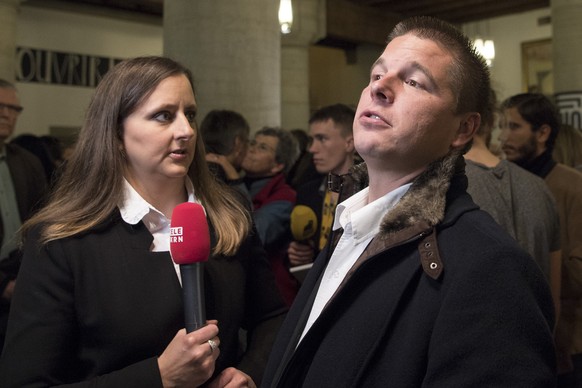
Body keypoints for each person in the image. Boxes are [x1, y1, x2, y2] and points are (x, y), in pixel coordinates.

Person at [262, 16, 556, 387]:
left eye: (414, 81)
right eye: (375, 75)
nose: (380, 88)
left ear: (463, 129)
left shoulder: (490, 267)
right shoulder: (349, 224)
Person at [0, 56, 287, 388]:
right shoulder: (61, 241)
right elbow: (25, 381)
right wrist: (159, 377)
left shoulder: (228, 214)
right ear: (117, 132)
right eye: (163, 116)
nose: (186, 130)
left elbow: (272, 318)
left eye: (190, 114)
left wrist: (250, 371)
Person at [500, 92, 582, 388]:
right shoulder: (503, 182)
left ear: (543, 132)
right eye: (501, 126)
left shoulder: (572, 186)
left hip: (569, 343)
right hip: (516, 340)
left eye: (514, 127)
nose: (503, 136)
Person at [464, 89, 561, 316]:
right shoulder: (539, 186)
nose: (505, 136)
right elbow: (553, 298)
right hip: (538, 340)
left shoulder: (441, 184)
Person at [0, 79, 48, 350]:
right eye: (0, 106)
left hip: (22, 280)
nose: (6, 114)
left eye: (13, 108)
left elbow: (41, 223)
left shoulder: (27, 162)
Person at [287, 104, 356, 269]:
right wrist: (298, 254)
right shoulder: (306, 191)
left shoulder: (369, 192)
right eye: (312, 140)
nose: (312, 149)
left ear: (349, 143)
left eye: (322, 139)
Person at [241, 127, 300, 306]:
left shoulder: (285, 196)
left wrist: (235, 181)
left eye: (263, 147)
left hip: (271, 298)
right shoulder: (243, 184)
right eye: (253, 143)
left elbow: (254, 235)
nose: (252, 149)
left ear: (278, 165)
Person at [200, 109, 250, 189]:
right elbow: (242, 201)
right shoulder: (222, 179)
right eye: (247, 141)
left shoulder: (194, 166)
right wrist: (236, 181)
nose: (249, 149)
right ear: (238, 144)